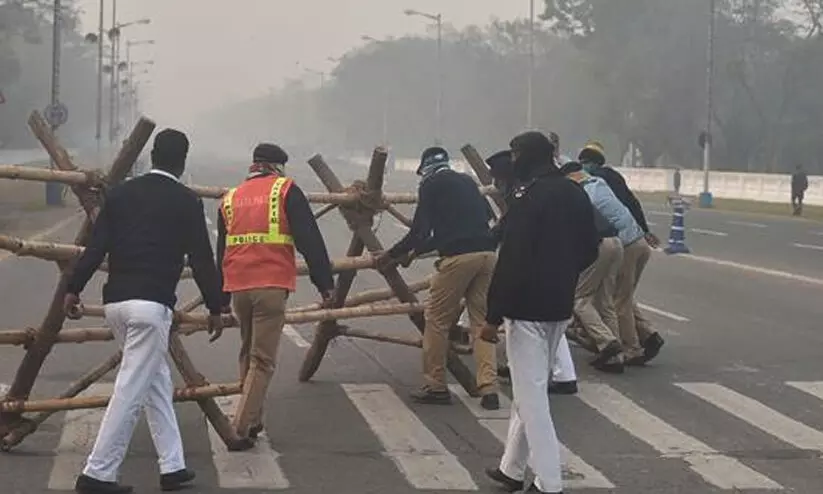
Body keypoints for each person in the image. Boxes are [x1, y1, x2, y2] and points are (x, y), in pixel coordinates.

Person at [64, 129, 224, 494]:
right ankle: (97, 474)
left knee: (155, 380)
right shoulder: (186, 201)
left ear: (152, 156)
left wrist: (74, 288)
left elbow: (96, 247)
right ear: (182, 162)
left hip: (116, 305)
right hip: (151, 306)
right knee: (131, 388)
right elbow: (202, 259)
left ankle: (173, 466)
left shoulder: (120, 194)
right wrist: (216, 306)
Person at [482, 131, 599, 494]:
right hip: (559, 305)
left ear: (528, 156)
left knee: (533, 402)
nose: (513, 160)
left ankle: (550, 484)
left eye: (516, 154)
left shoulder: (529, 198)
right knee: (528, 391)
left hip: (526, 310)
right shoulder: (574, 193)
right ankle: (511, 469)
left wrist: (492, 316)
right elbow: (590, 248)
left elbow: (511, 261)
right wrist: (562, 273)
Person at [215, 143, 335, 449]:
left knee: (247, 352)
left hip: (238, 288)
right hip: (270, 286)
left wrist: (220, 298)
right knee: (263, 360)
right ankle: (240, 427)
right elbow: (310, 240)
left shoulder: (230, 198)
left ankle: (253, 419)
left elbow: (221, 252)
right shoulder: (285, 190)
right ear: (277, 167)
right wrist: (325, 284)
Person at [376, 146, 500, 410]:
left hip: (458, 258)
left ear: (425, 169)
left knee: (436, 321)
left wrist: (392, 254)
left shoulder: (430, 185)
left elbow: (420, 231)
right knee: (481, 322)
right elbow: (481, 221)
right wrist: (414, 252)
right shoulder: (467, 181)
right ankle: (489, 387)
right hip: (488, 255)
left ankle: (436, 385)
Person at [486, 149, 578, 394]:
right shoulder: (557, 187)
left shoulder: (526, 192)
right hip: (558, 276)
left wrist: (493, 316)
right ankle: (564, 374)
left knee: (530, 386)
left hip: (533, 281)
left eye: (497, 178)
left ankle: (558, 375)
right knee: (551, 328)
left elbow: (513, 249)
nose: (496, 184)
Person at [578, 141, 664, 366]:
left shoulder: (594, 184)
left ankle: (630, 348)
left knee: (617, 301)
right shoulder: (612, 179)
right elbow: (632, 204)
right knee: (624, 296)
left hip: (624, 244)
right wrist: (645, 230)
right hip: (637, 240)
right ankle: (648, 335)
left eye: (584, 162)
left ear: (589, 163)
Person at [560, 161, 648, 374]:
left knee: (580, 300)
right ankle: (617, 355)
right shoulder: (599, 183)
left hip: (609, 244)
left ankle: (609, 343)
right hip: (621, 242)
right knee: (606, 301)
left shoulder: (577, 194)